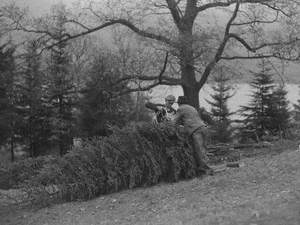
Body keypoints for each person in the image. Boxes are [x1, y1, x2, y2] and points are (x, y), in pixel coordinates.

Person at [173, 96, 213, 175]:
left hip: (196, 130)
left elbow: (175, 121)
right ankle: (203, 167)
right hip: (203, 128)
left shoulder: (181, 108)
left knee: (199, 150)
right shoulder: (192, 108)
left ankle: (206, 170)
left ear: (180, 103)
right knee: (203, 149)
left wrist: (168, 125)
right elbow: (191, 119)